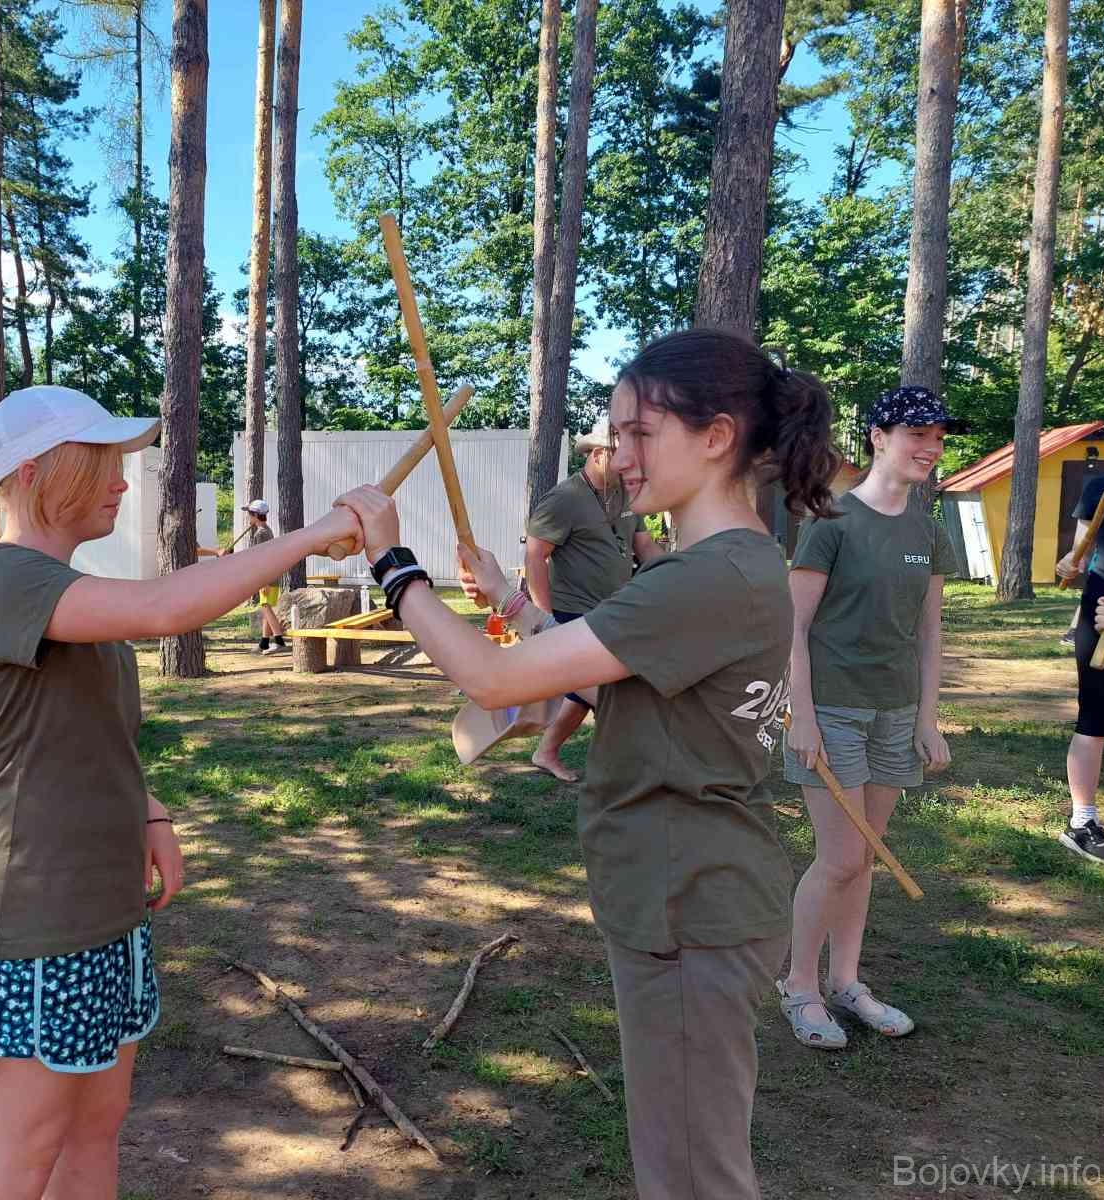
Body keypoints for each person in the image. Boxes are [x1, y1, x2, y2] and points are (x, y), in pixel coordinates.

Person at [337, 329, 838, 1200]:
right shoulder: (734, 563)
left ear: (717, 436)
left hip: (688, 903)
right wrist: (510, 599)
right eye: (616, 434)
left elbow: (491, 678)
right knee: (683, 1154)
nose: (621, 455)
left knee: (692, 1174)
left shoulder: (703, 577)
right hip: (695, 893)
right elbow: (617, 683)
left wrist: (393, 563)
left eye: (641, 433)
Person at [0, 384, 361, 1199]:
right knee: (21, 1161)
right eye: (101, 463)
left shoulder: (54, 582)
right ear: (35, 474)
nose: (121, 482)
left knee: (94, 1133)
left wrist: (150, 810)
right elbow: (167, 608)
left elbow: (85, 733)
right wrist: (314, 534)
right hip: (30, 923)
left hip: (102, 912)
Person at [779, 384, 959, 1050]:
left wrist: (927, 719)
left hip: (895, 714)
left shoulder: (928, 530)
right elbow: (793, 628)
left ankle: (846, 982)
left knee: (865, 859)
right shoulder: (830, 522)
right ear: (878, 438)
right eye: (917, 435)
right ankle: (798, 986)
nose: (931, 448)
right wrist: (802, 716)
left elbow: (930, 633)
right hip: (832, 712)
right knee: (840, 858)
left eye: (938, 438)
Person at [525, 415, 664, 780]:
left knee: (587, 690)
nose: (630, 461)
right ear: (600, 454)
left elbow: (645, 546)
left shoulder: (624, 493)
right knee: (607, 691)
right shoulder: (565, 499)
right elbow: (536, 556)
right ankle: (637, 765)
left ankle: (547, 751)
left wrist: (676, 577)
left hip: (614, 610)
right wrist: (545, 619)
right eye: (622, 454)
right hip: (573, 612)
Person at [1055, 461, 1104, 866]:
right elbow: (1083, 549)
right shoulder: (1100, 489)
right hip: (1101, 610)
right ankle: (1083, 822)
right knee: (1094, 716)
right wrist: (1069, 563)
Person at [230, 499, 286, 654]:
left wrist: (264, 581)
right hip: (271, 575)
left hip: (268, 577)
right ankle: (264, 643)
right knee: (266, 608)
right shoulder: (266, 530)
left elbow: (264, 559)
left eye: (249, 514)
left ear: (255, 515)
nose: (248, 517)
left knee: (265, 607)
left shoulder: (261, 534)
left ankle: (279, 641)